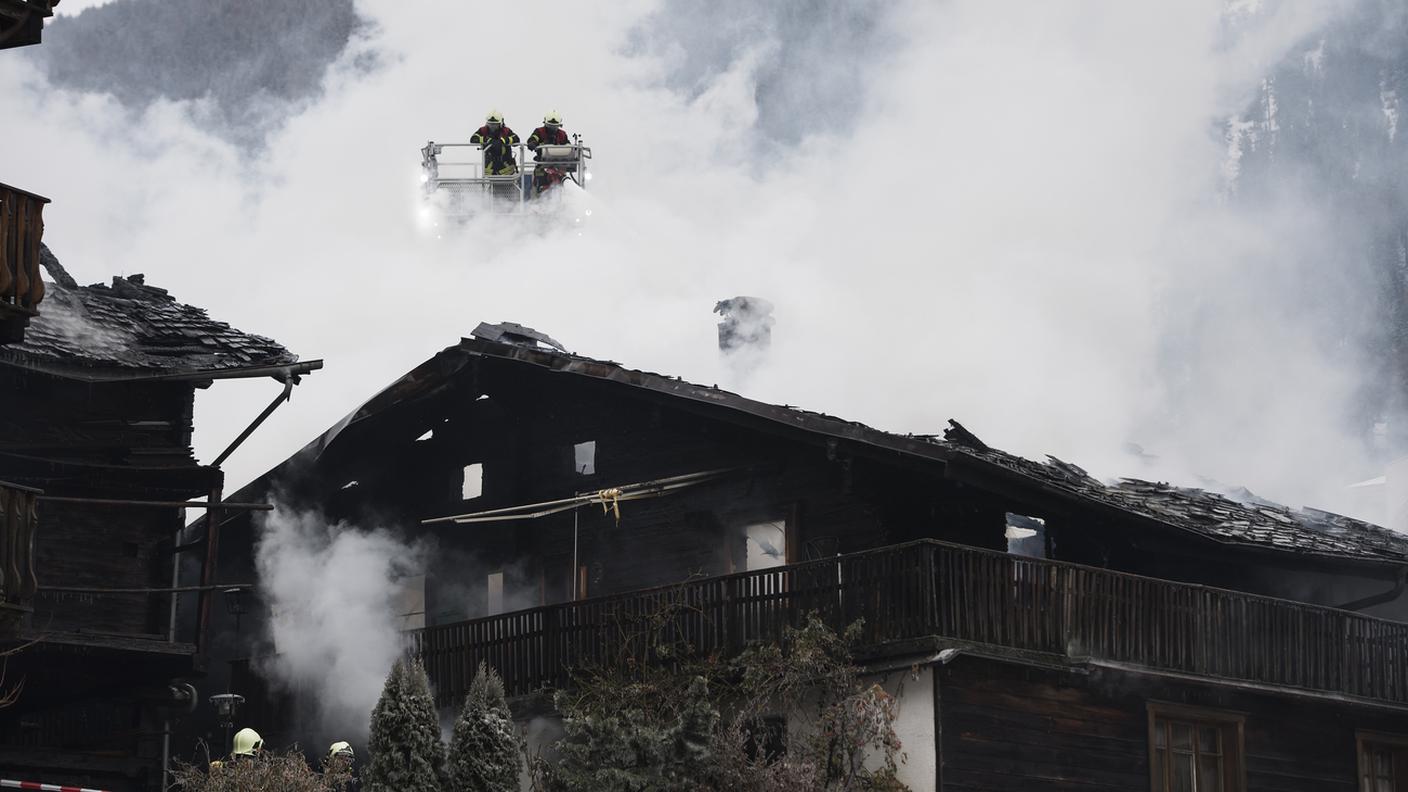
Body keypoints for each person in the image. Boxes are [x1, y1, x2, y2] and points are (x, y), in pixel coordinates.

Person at [526, 110, 570, 195]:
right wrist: (533, 144)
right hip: (542, 166)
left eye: (555, 127)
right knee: (539, 190)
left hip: (559, 167)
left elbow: (568, 147)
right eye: (550, 126)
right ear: (545, 123)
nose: (552, 129)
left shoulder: (562, 134)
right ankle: (537, 205)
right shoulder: (539, 131)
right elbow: (532, 139)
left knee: (561, 190)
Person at [470, 110, 520, 176]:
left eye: (495, 125)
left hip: (506, 167)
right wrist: (488, 140)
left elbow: (516, 139)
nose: (492, 127)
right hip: (490, 168)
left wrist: (503, 140)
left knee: (508, 185)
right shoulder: (483, 130)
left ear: (501, 123)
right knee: (489, 185)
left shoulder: (506, 131)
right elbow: (473, 138)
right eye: (490, 124)